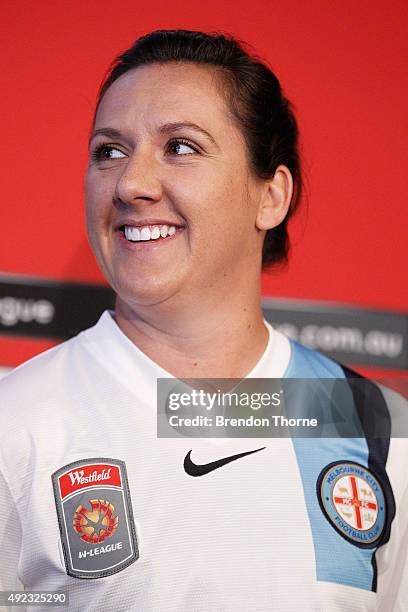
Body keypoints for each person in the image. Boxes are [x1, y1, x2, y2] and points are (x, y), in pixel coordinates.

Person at [0, 29, 406, 611]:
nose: (130, 184)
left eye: (181, 147)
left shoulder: (375, 426)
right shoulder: (15, 423)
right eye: (108, 151)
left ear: (271, 195)